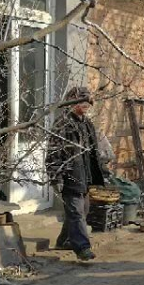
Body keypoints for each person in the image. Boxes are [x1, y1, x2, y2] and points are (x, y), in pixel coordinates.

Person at [46, 86, 104, 262]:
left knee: (82, 211)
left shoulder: (86, 123)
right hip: (70, 175)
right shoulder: (62, 124)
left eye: (87, 101)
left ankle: (64, 241)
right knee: (76, 212)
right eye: (82, 101)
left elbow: (92, 151)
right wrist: (56, 176)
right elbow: (53, 152)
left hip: (83, 175)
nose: (86, 105)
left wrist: (99, 170)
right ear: (72, 101)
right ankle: (83, 248)